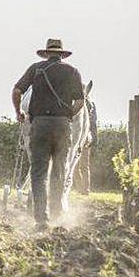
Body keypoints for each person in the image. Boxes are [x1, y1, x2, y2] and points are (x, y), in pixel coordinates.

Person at [12, 38, 86, 230]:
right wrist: (68, 115)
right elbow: (80, 101)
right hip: (62, 126)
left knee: (38, 173)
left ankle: (41, 219)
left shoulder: (36, 69)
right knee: (59, 172)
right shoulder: (72, 72)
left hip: (40, 125)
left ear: (46, 54)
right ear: (61, 54)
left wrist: (18, 112)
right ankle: (56, 215)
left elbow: (17, 90)